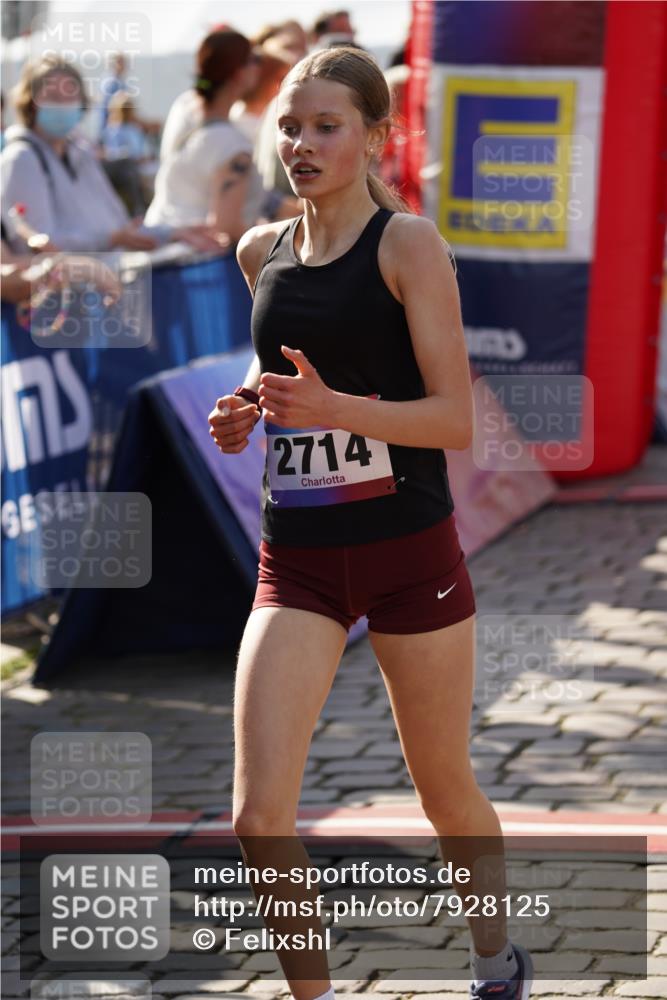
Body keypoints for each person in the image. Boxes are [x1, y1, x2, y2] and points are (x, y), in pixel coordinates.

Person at [208, 46, 533, 1000]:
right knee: (257, 816)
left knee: (442, 789)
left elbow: (452, 420)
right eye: (289, 126)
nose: (300, 144)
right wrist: (246, 406)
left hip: (408, 556)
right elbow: (286, 375)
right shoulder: (256, 251)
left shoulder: (407, 246)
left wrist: (337, 409)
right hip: (297, 563)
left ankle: (493, 959)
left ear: (374, 137)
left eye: (325, 127)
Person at [1, 56, 222, 254]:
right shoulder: (21, 159)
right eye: (51, 96)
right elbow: (36, 245)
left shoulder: (81, 154)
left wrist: (171, 232)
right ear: (30, 103)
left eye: (69, 96)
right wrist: (111, 239)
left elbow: (119, 226)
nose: (62, 103)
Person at [148, 29, 296, 236]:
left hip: (163, 250)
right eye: (254, 59)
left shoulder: (188, 123)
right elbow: (227, 227)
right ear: (238, 72)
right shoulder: (232, 146)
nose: (259, 67)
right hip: (196, 260)